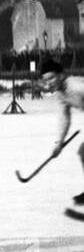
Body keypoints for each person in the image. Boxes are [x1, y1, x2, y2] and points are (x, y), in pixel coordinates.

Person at [37, 58, 84, 206]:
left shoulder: (76, 86)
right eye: (46, 80)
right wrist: (59, 143)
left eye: (52, 77)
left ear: (61, 74)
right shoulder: (61, 93)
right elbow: (65, 117)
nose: (49, 82)